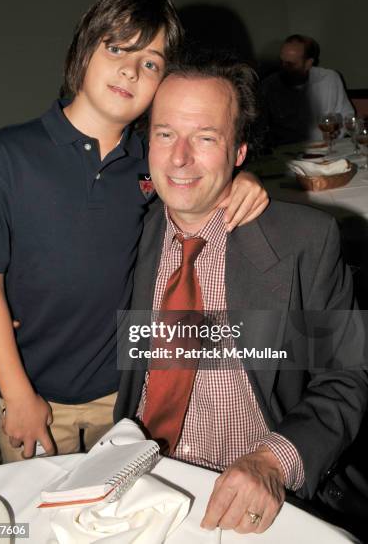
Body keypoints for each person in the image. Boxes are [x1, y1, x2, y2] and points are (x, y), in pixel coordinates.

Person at [0, 0, 268, 464]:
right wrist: (18, 394)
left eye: (151, 63)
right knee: (29, 526)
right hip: (33, 389)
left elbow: (202, 176)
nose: (130, 69)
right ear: (83, 50)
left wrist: (243, 176)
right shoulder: (10, 153)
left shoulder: (154, 160)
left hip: (126, 393)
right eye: (117, 47)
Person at [113, 52, 368, 534]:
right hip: (141, 479)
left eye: (205, 137)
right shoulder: (130, 233)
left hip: (257, 494)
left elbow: (351, 373)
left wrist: (274, 461)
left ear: (239, 152)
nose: (179, 157)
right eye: (166, 134)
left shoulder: (304, 241)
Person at [261, 34, 354, 144]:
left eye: (291, 64)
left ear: (308, 63)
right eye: (281, 61)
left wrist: (337, 132)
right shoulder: (269, 85)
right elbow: (262, 130)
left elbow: (347, 117)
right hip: (286, 155)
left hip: (327, 151)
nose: (283, 67)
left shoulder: (330, 79)